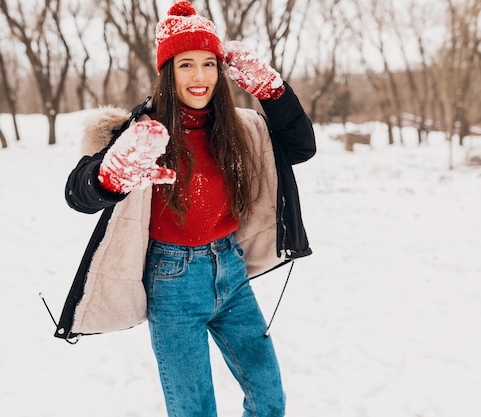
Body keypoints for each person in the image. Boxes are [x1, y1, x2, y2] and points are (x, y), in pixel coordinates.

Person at [55, 1, 316, 416]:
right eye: (186, 65)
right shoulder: (141, 135)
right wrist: (109, 177)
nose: (200, 77)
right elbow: (76, 193)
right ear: (168, 72)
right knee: (194, 410)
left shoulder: (241, 128)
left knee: (269, 399)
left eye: (209, 64)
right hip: (172, 282)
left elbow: (302, 148)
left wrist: (273, 91)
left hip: (230, 271)